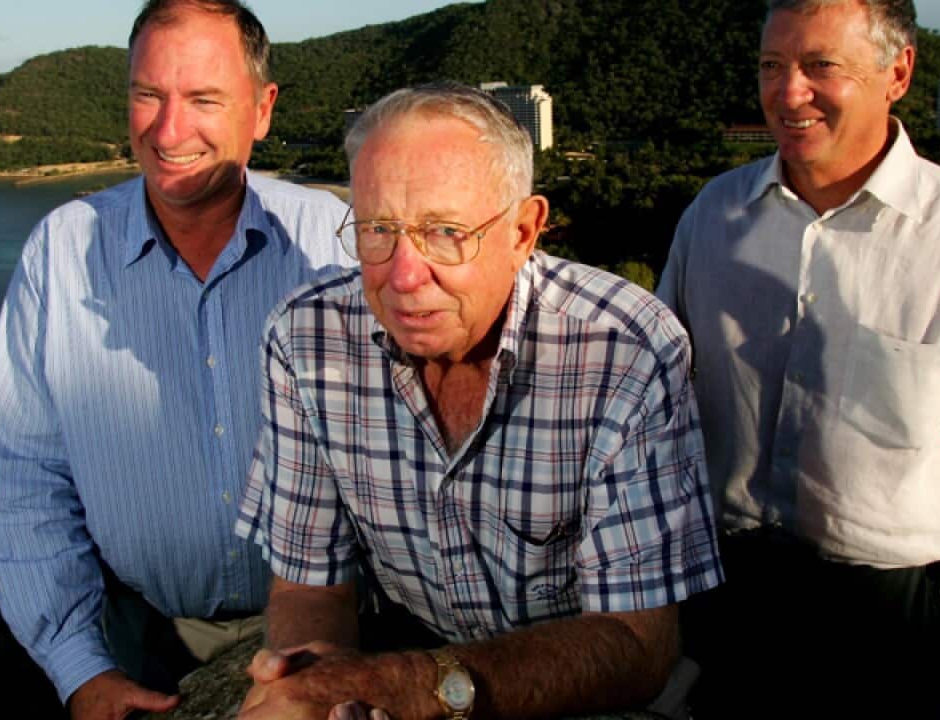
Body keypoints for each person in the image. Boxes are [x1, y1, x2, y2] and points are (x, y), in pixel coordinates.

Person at [232, 82, 722, 720]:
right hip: (405, 663)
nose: (404, 275)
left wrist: (412, 686)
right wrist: (314, 686)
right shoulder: (305, 339)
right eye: (378, 229)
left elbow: (637, 643)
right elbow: (308, 583)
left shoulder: (623, 351)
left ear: (523, 231)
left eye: (445, 232)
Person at [655, 0, 940, 717]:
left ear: (897, 73)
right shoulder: (713, 216)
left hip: (885, 614)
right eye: (772, 66)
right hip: (724, 589)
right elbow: (656, 398)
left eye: (821, 66)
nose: (789, 93)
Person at [0, 1, 354, 717]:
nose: (169, 130)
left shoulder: (334, 241)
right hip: (141, 643)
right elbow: (21, 480)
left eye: (204, 99)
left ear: (262, 109)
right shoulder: (60, 253)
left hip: (338, 624)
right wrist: (80, 668)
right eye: (149, 95)